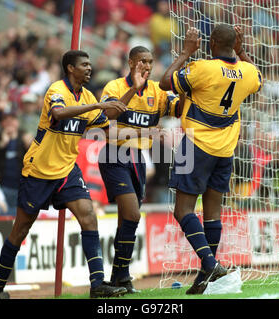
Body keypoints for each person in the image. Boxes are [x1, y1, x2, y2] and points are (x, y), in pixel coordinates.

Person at [0, 50, 128, 299]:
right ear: (70, 68)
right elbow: (59, 114)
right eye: (84, 64)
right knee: (20, 230)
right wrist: (97, 104)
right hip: (38, 169)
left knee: (88, 217)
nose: (89, 68)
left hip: (66, 170)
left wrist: (133, 91)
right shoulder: (56, 91)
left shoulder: (86, 95)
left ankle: (97, 285)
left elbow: (108, 119)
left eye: (90, 64)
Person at [159, 25, 263, 294]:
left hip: (194, 145)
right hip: (225, 150)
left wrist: (185, 52)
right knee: (213, 213)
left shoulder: (203, 67)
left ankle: (210, 264)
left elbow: (164, 82)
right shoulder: (247, 71)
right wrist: (241, 51)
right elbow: (259, 79)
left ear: (213, 42)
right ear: (235, 43)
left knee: (183, 211)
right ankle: (206, 276)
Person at [98, 46, 182, 293]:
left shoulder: (158, 91)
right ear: (130, 62)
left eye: (150, 61)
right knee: (133, 215)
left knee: (127, 219)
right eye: (142, 61)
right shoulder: (114, 87)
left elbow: (180, 108)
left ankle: (119, 278)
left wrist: (190, 85)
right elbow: (107, 127)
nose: (146, 65)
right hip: (114, 155)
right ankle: (121, 275)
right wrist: (134, 89)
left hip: (138, 159)